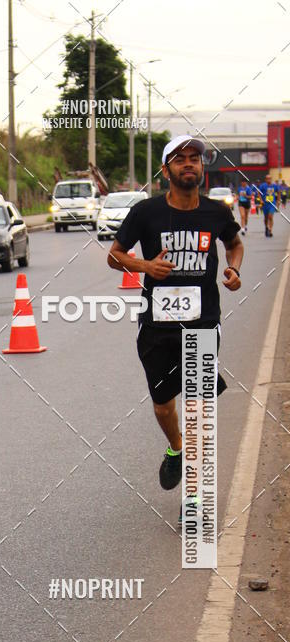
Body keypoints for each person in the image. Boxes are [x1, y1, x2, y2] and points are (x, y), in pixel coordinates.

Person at [107, 135, 243, 522]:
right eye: (180, 159)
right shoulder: (145, 212)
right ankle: (176, 447)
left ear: (202, 168)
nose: (189, 164)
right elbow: (114, 256)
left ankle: (194, 500)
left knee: (199, 410)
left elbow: (235, 245)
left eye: (195, 159)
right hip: (157, 328)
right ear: (166, 170)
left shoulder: (216, 212)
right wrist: (145, 267)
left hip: (202, 325)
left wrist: (234, 269)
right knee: (164, 406)